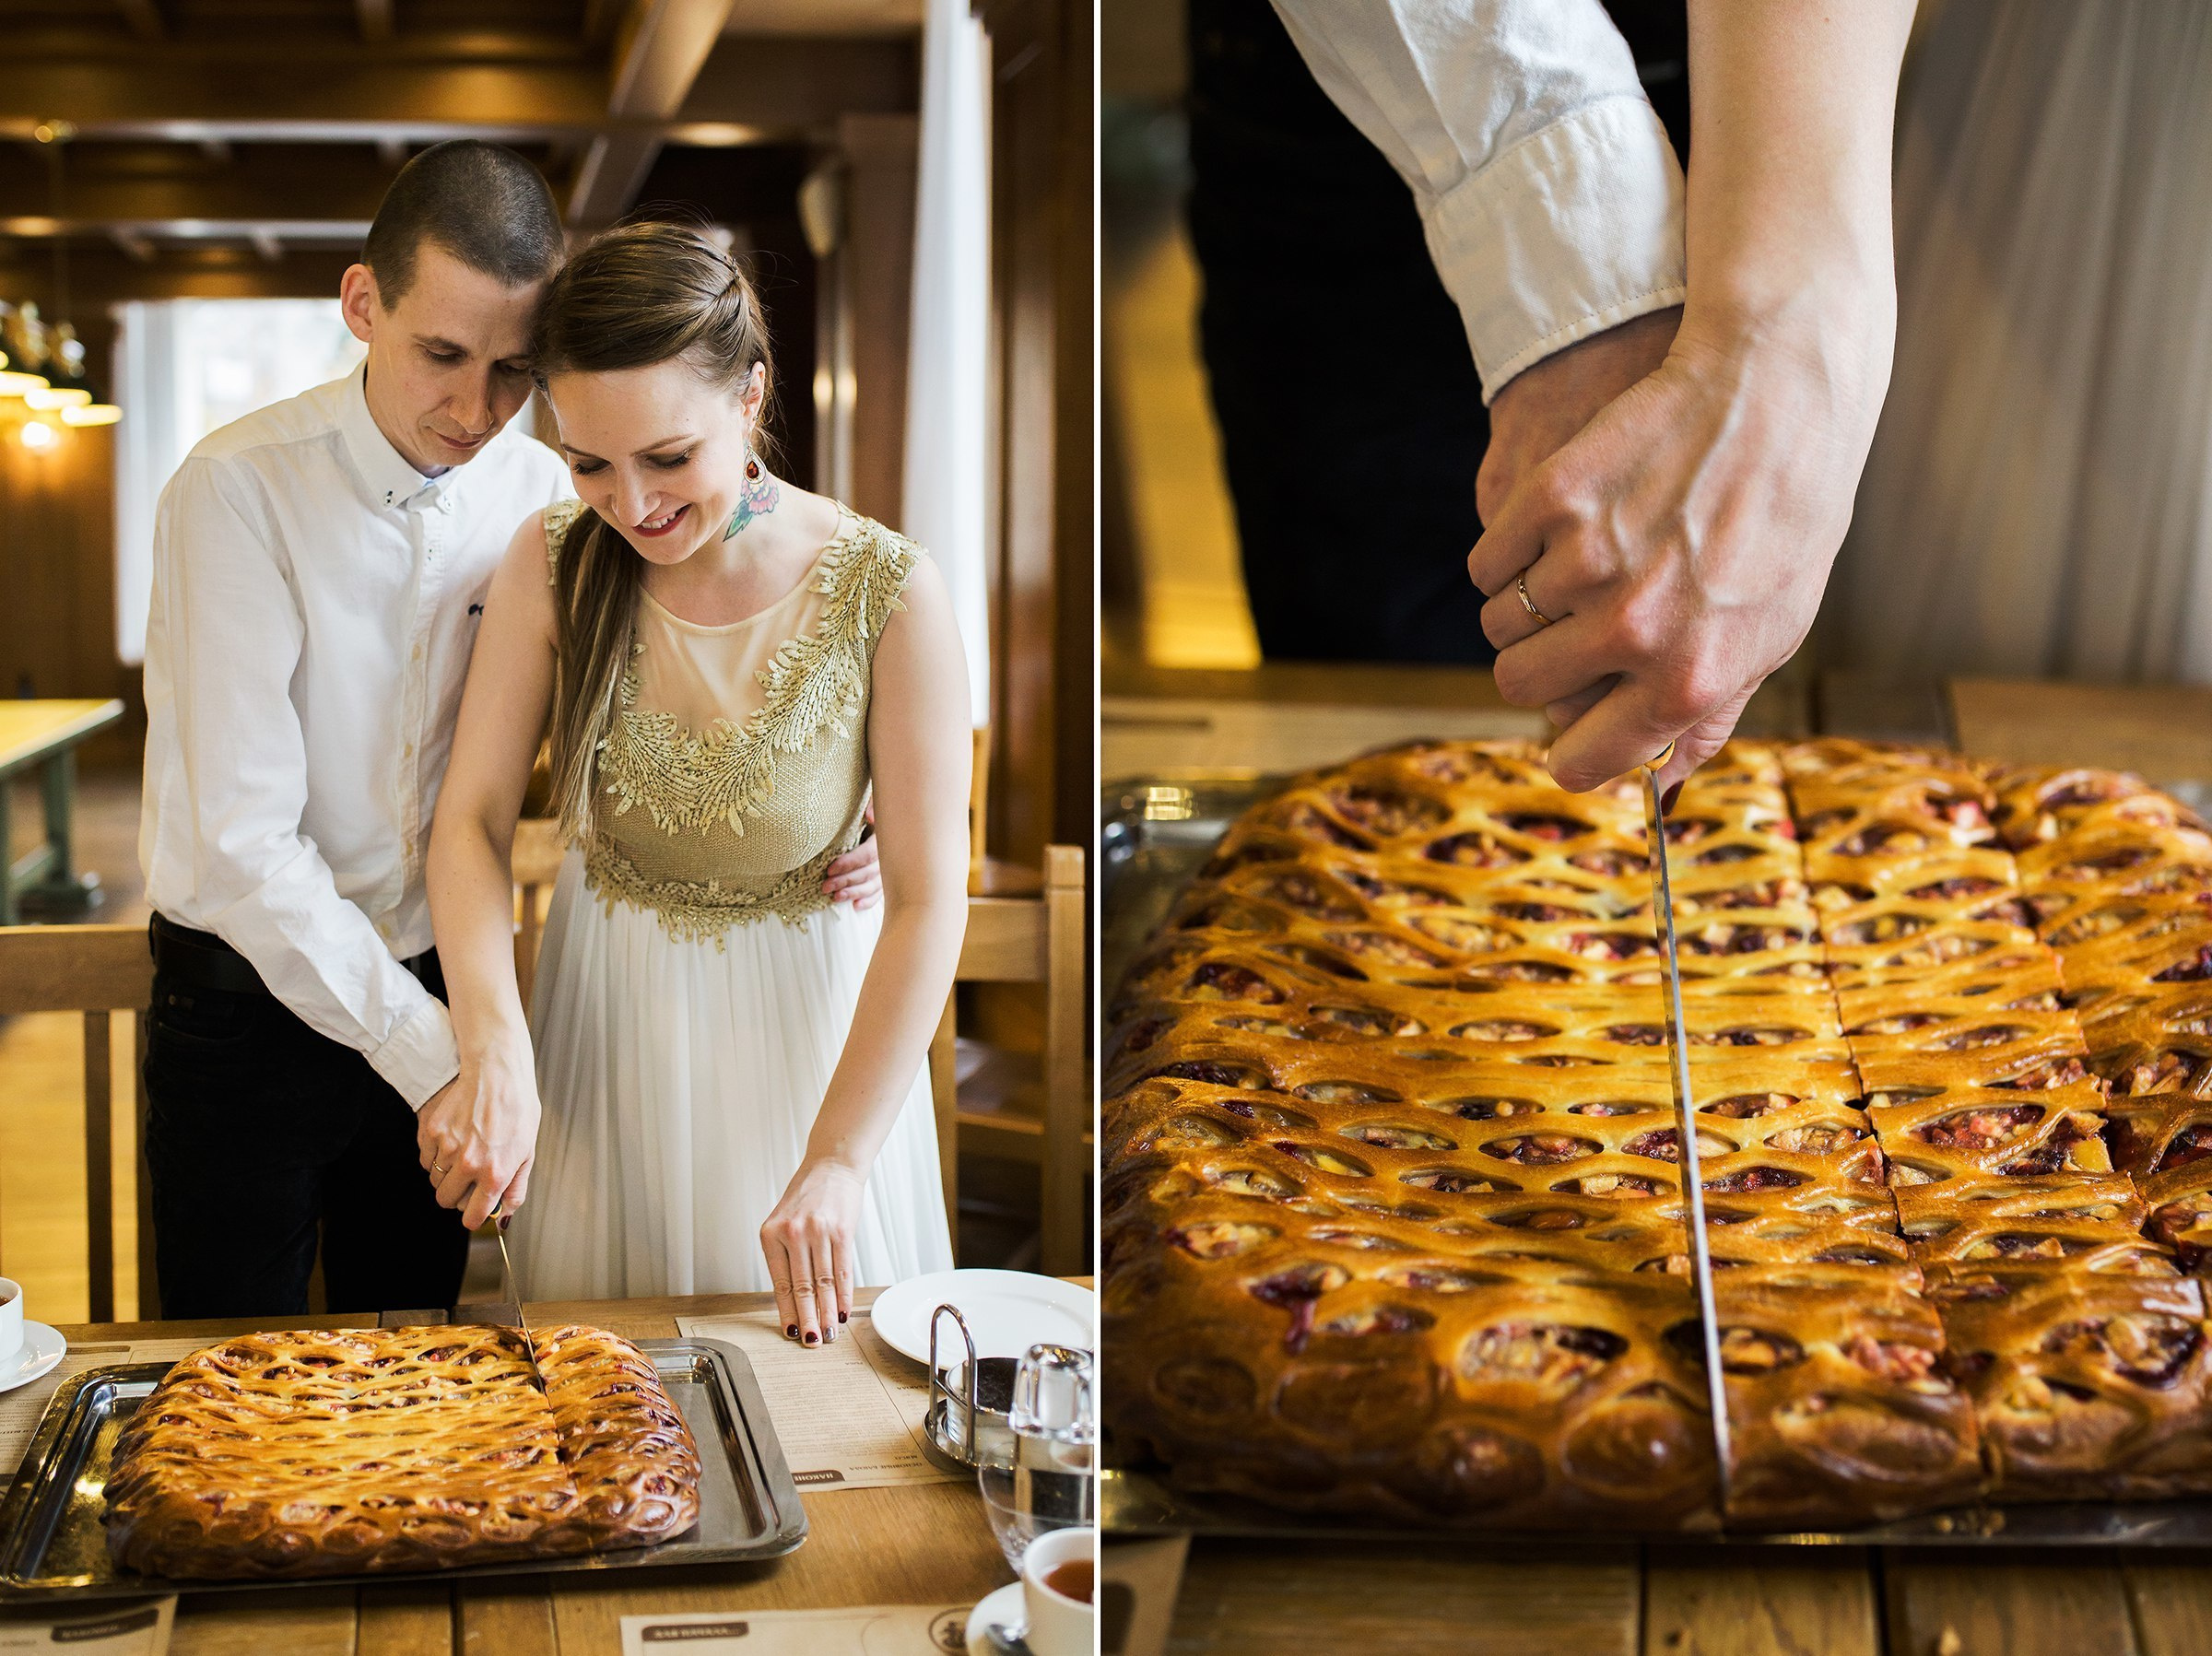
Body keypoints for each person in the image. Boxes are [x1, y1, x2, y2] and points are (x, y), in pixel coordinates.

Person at [137, 144, 880, 1320]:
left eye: (511, 371)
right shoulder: (235, 491)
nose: (476, 409)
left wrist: (839, 792)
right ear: (362, 304)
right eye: (442, 355)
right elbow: (240, 848)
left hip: (449, 980)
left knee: (421, 1372)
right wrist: (454, 1059)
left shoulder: (560, 490)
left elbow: (709, 642)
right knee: (228, 1373)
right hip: (247, 1013)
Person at [424, 224, 968, 1348]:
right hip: (604, 1037)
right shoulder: (552, 560)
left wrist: (836, 1161)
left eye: (668, 458)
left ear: (752, 395)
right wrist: (494, 1046)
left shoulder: (891, 591)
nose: (632, 504)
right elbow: (471, 824)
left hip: (812, 1060)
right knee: (608, 1410)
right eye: (588, 462)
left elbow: (928, 898)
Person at [1250, 0, 1920, 795]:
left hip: (1838, 83)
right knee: (1374, 738)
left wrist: (1785, 326)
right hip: (1392, 81)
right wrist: (1584, 271)